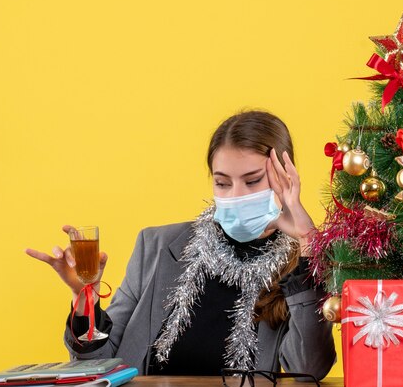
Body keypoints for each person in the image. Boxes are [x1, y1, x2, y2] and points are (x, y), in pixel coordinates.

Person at [26, 110, 336, 379]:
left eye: (252, 181)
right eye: (222, 183)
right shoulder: (158, 246)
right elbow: (96, 362)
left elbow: (309, 369)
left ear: (287, 178)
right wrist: (86, 298)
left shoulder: (302, 269)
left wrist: (308, 241)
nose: (236, 196)